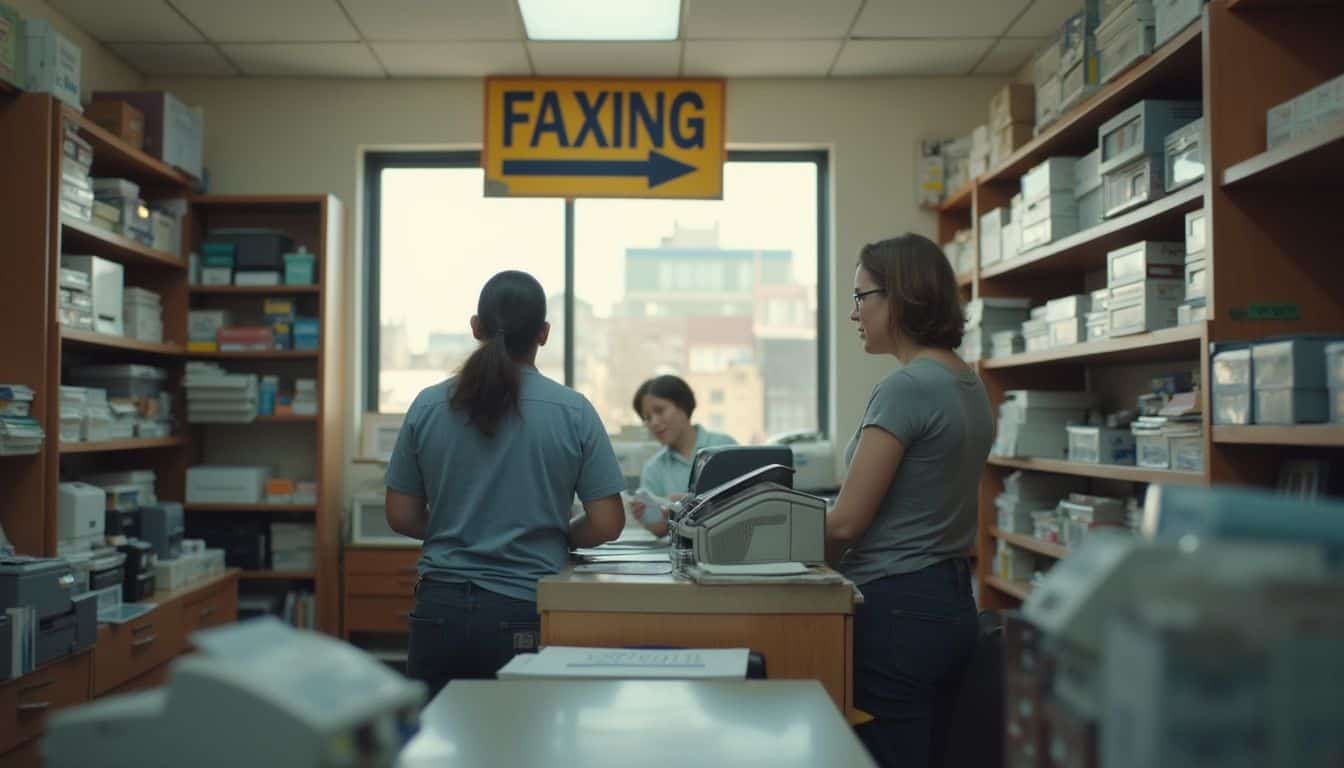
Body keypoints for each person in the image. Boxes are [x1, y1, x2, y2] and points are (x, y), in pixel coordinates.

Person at [384, 270, 626, 699]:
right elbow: (607, 523)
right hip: (524, 608)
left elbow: (401, 515)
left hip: (439, 609)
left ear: (475, 327)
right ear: (544, 334)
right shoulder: (573, 411)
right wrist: (558, 534)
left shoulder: (427, 405)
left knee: (437, 733)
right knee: (523, 733)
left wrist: (461, 525)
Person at [825, 234, 994, 768]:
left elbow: (846, 523)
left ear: (899, 295)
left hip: (895, 608)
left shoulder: (906, 388)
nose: (854, 313)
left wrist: (771, 543)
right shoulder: (967, 384)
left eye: (861, 296)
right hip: (950, 601)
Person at [628, 375, 736, 536]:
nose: (654, 422)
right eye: (647, 418)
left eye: (660, 411)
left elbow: (747, 503)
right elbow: (661, 530)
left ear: (683, 406)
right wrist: (650, 519)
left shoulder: (724, 447)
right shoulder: (653, 469)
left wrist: (690, 503)